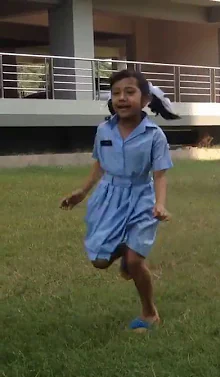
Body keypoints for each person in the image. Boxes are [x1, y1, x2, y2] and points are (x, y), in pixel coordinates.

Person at [60, 69, 173, 333]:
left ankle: (149, 313)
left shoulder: (154, 135)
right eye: (116, 93)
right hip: (108, 198)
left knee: (135, 262)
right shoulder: (103, 130)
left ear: (145, 100)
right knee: (99, 261)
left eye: (129, 92)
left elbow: (160, 175)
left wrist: (160, 203)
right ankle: (125, 251)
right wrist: (82, 191)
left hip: (141, 198)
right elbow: (99, 165)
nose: (122, 98)